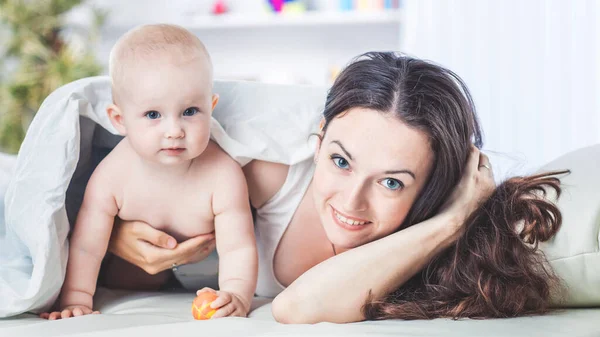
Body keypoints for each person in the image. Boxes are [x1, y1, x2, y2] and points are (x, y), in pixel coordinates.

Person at [107, 52, 566, 323]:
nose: (351, 202)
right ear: (320, 138)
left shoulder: (431, 237)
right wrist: (116, 239)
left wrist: (454, 220)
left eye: (391, 182)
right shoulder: (263, 176)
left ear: (433, 189)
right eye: (340, 161)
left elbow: (298, 308)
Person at [40, 24, 257, 320]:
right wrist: (76, 299)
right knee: (121, 277)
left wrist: (236, 295)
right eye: (153, 115)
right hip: (136, 268)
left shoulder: (223, 173)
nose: (174, 131)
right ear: (119, 120)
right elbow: (86, 247)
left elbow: (238, 248)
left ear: (211, 106)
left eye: (190, 111)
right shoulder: (112, 176)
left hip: (210, 267)